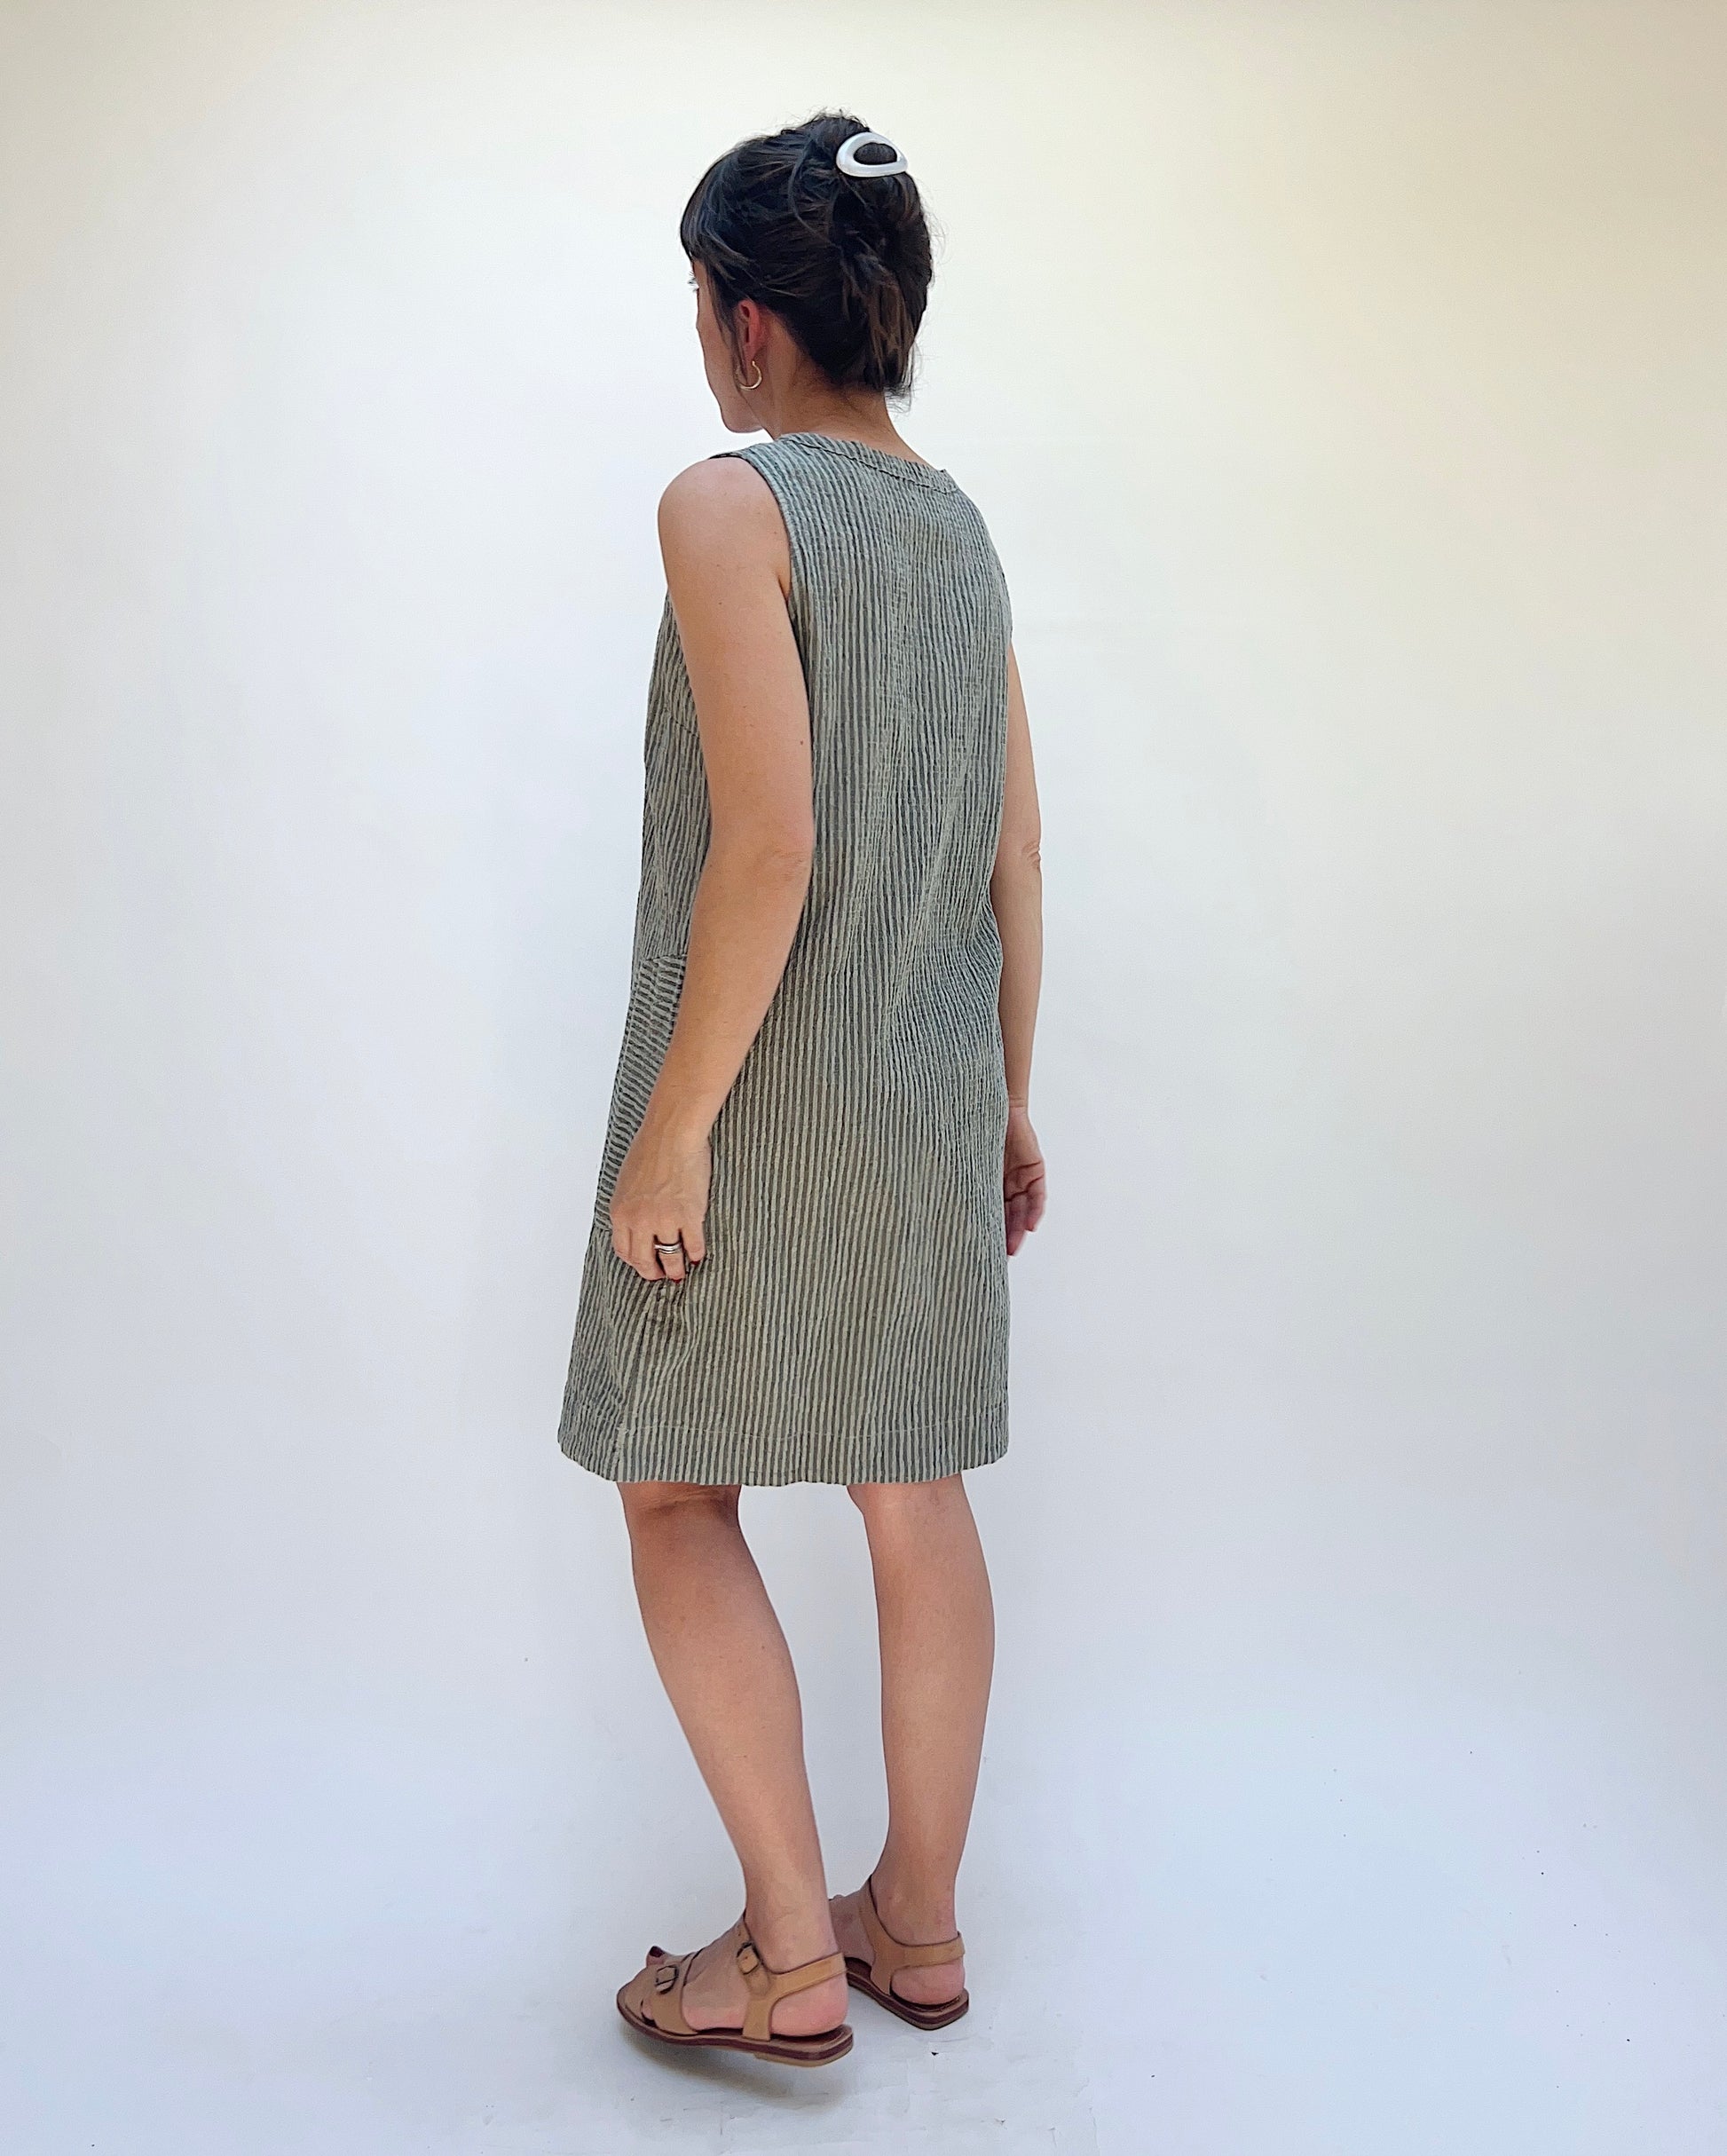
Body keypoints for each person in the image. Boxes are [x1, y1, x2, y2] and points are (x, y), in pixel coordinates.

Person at [557, 111, 1045, 2068]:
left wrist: (671, 1130)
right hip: (927, 1086)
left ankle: (781, 1956)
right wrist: (1006, 1104)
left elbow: (767, 847)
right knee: (911, 1489)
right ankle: (913, 1925)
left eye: (699, 305)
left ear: (740, 317)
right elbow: (1015, 852)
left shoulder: (727, 505)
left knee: (677, 1484)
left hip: (755, 1095)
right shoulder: (960, 529)